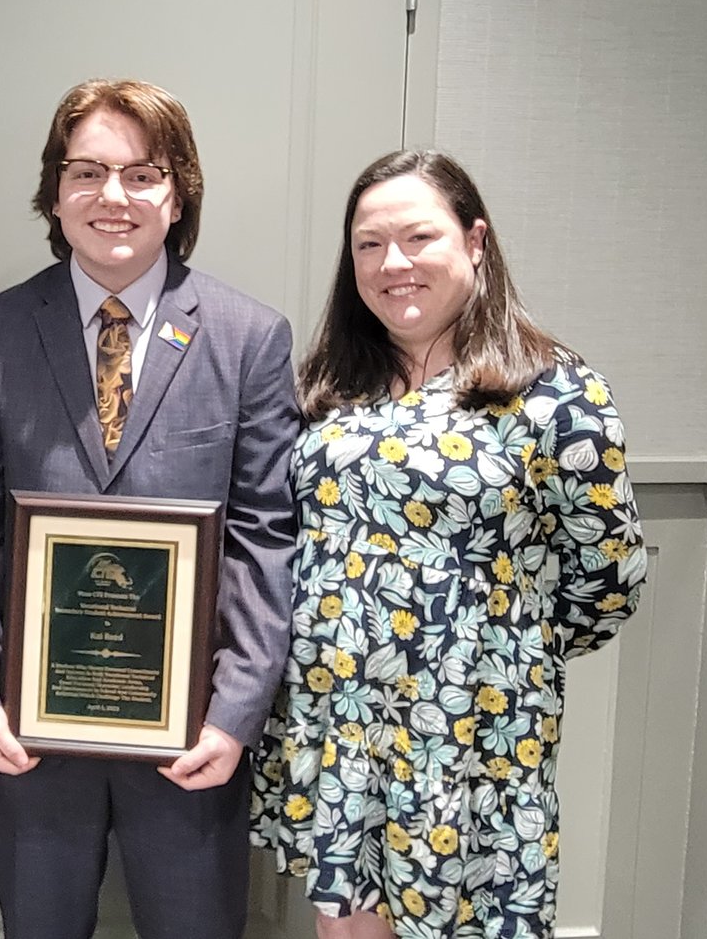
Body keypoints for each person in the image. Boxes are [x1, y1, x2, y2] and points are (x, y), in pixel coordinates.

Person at [0, 78, 299, 939]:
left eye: (142, 174)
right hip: (30, 732)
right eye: (86, 172)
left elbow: (263, 539)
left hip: (190, 734)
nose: (113, 197)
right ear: (55, 194)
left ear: (179, 194)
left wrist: (235, 713)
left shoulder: (250, 338)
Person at [249, 150, 648, 939]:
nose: (392, 263)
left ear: (475, 242)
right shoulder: (328, 386)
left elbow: (610, 580)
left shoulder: (557, 394)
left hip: (471, 746)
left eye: (417, 238)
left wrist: (485, 653)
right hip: (341, 736)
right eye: (368, 244)